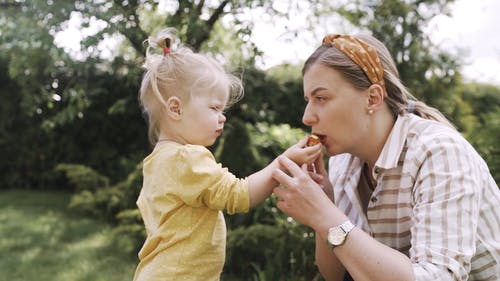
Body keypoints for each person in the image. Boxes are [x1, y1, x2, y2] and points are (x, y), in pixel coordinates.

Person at [272, 33, 500, 281]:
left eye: (321, 98)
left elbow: (439, 277)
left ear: (373, 98)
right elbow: (336, 276)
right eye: (308, 100)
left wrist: (326, 216)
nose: (307, 117)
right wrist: (325, 205)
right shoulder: (344, 161)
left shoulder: (439, 151)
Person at [132, 28, 322, 281]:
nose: (222, 117)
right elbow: (239, 195)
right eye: (214, 107)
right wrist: (283, 161)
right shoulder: (187, 158)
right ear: (176, 109)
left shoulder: (158, 160)